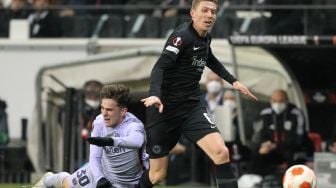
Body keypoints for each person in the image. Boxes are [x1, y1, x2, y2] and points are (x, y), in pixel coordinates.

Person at [138, 1, 257, 187]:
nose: (210, 15)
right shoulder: (181, 37)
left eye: (213, 12)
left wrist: (233, 81)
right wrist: (155, 94)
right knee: (157, 176)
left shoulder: (205, 38)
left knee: (221, 152)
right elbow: (160, 66)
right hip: (164, 110)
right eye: (205, 11)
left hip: (191, 107)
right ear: (193, 13)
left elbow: (209, 58)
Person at [34, 83, 148, 188]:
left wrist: (110, 141)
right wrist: (99, 179)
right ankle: (48, 180)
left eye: (109, 110)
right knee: (68, 185)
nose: (104, 114)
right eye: (102, 108)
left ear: (123, 111)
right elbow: (95, 157)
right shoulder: (99, 122)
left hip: (130, 182)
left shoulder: (134, 125)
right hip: (103, 171)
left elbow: (136, 141)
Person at [257, 89, 314, 167]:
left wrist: (277, 145)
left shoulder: (296, 113)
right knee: (258, 153)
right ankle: (255, 176)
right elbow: (262, 133)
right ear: (271, 101)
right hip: (273, 148)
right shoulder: (265, 113)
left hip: (293, 148)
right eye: (275, 101)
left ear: (287, 101)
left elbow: (299, 138)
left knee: (291, 154)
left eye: (281, 101)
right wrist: (265, 143)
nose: (277, 104)